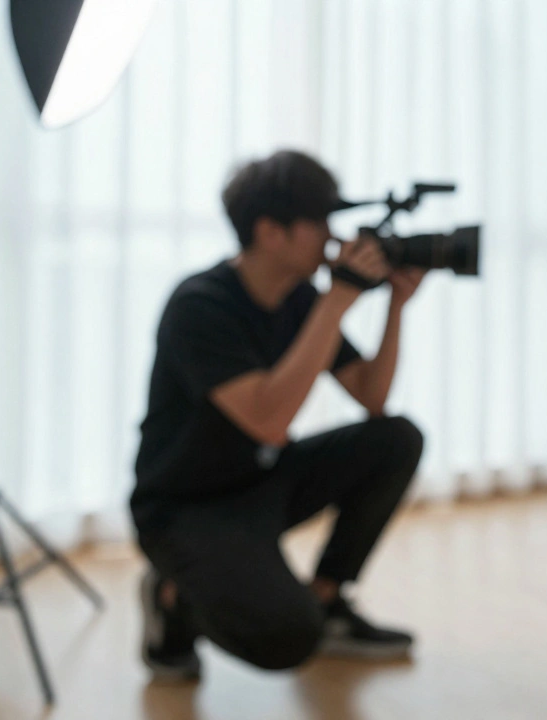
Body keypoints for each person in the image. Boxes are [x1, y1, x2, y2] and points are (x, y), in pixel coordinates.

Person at [130, 150, 426, 681]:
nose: (332, 238)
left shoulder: (299, 300)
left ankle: (328, 599)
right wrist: (335, 303)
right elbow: (267, 418)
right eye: (318, 224)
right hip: (186, 507)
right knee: (290, 638)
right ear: (271, 232)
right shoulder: (200, 305)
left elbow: (372, 396)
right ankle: (174, 597)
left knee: (396, 438)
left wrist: (395, 306)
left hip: (262, 480)